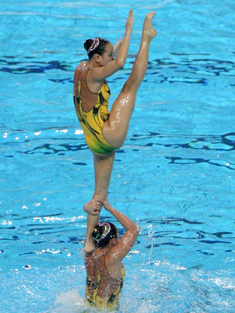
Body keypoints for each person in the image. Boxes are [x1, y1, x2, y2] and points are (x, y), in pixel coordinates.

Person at [73, 9, 156, 253]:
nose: (112, 58)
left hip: (94, 140)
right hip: (106, 136)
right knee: (131, 86)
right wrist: (130, 30)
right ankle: (147, 37)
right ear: (97, 59)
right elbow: (120, 64)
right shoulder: (96, 74)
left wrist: (116, 44)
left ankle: (89, 242)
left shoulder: (81, 68)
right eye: (108, 55)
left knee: (99, 194)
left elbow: (110, 59)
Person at [85, 201, 139, 310]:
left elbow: (93, 230)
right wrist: (109, 208)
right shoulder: (111, 259)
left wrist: (94, 210)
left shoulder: (89, 253)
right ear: (113, 240)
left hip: (88, 305)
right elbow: (134, 229)